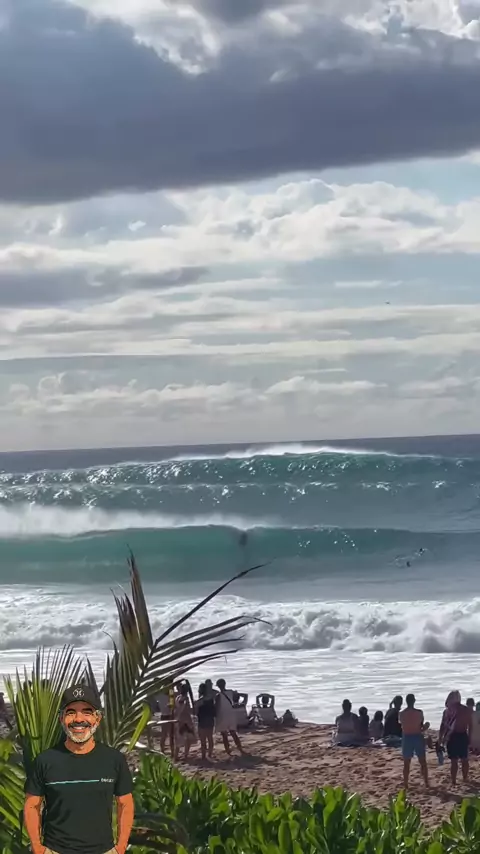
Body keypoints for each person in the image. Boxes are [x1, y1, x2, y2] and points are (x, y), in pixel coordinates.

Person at [24, 684, 134, 854]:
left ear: (98, 718)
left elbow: (125, 804)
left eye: (87, 712)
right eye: (71, 712)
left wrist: (120, 848)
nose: (78, 719)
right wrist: (38, 849)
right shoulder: (45, 761)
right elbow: (32, 805)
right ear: (61, 718)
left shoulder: (114, 759)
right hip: (55, 850)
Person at [439, 690, 472, 786]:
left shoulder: (447, 711)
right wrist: (470, 737)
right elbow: (470, 726)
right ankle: (465, 778)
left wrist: (440, 738)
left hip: (452, 737)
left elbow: (443, 726)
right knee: (464, 759)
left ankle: (454, 781)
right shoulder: (465, 710)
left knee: (454, 761)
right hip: (462, 735)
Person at [399, 694, 429, 790]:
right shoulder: (419, 713)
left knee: (406, 763)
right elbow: (421, 727)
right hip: (417, 736)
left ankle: (406, 784)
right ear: (414, 701)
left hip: (407, 737)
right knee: (422, 761)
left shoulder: (401, 714)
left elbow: (402, 725)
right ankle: (426, 782)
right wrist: (426, 726)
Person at [215, 679, 244, 755]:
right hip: (231, 714)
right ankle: (240, 748)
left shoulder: (218, 695)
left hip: (222, 715)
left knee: (224, 735)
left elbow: (217, 707)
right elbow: (239, 697)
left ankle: (228, 751)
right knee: (233, 733)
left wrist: (216, 717)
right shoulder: (231, 692)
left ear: (218, 686)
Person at [174, 683, 196, 761]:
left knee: (181, 739)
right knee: (186, 739)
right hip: (185, 720)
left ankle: (177, 755)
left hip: (181, 719)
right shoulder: (184, 698)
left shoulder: (178, 697)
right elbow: (182, 708)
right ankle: (184, 755)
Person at [195, 683, 215, 760]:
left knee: (203, 740)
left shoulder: (199, 701)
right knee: (210, 738)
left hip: (202, 720)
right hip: (210, 719)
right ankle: (210, 754)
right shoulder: (211, 698)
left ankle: (203, 756)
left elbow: (195, 712)